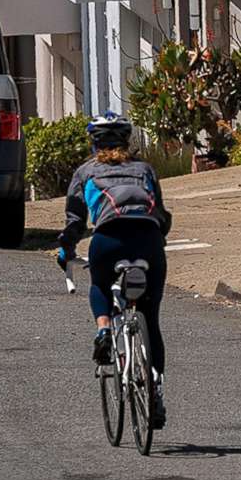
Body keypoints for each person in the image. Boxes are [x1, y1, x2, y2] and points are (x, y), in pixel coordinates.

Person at [51, 114, 173, 429]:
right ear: (126, 142)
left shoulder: (85, 172)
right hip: (147, 240)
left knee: (101, 286)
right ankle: (155, 389)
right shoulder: (144, 169)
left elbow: (74, 222)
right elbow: (160, 214)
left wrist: (66, 250)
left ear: (94, 144)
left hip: (107, 240)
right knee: (151, 317)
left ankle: (104, 329)